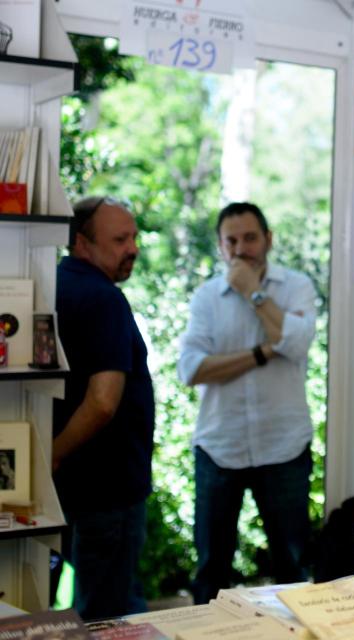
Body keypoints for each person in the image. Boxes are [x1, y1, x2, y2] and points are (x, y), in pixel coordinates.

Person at [178, 202, 317, 603]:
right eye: (231, 241)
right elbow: (191, 369)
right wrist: (261, 352)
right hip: (220, 447)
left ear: (268, 239)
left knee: (291, 565)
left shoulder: (296, 286)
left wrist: (252, 292)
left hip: (284, 445)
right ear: (221, 247)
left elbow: (296, 342)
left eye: (250, 238)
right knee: (211, 568)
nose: (241, 249)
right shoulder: (206, 298)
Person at [53, 196, 153, 619]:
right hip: (106, 494)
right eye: (119, 239)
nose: (132, 248)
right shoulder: (104, 299)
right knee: (107, 618)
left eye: (134, 237)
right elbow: (102, 402)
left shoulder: (54, 283)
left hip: (69, 491)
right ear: (82, 243)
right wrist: (50, 457)